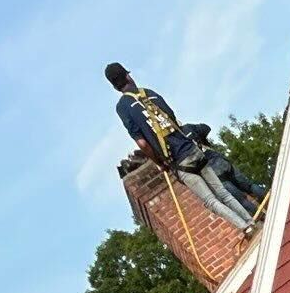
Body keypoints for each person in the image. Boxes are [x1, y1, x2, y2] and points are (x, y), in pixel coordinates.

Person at [106, 63, 267, 233]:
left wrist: (161, 163)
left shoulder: (123, 107)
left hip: (177, 161)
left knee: (212, 201)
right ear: (128, 76)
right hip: (193, 150)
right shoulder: (149, 93)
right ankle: (251, 222)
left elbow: (143, 143)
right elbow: (172, 118)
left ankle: (246, 227)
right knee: (223, 193)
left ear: (115, 86)